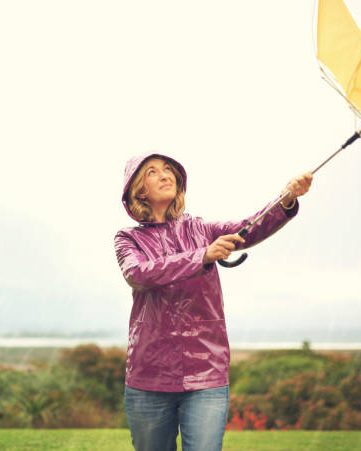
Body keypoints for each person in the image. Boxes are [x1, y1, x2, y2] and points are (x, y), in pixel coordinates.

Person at [114, 152, 312, 451]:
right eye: (153, 172)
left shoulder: (202, 230)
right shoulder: (128, 239)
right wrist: (202, 256)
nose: (165, 174)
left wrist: (286, 199)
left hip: (206, 372)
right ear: (138, 189)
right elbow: (139, 273)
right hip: (148, 376)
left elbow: (250, 226)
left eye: (169, 170)